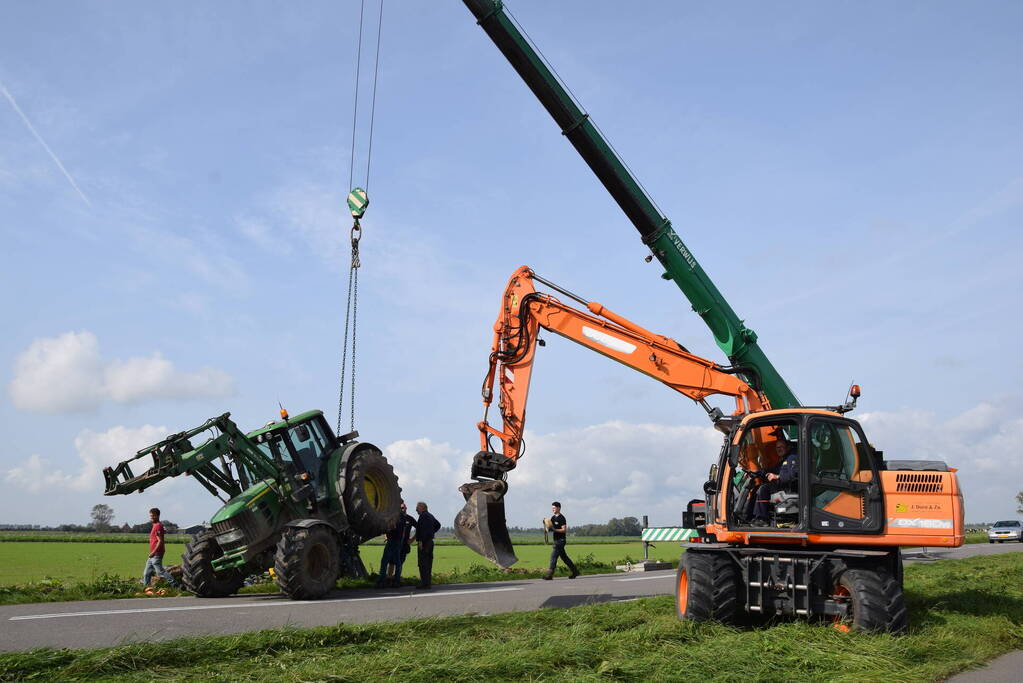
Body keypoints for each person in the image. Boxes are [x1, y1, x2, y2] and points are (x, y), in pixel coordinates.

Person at [751, 440, 799, 526]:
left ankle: (763, 519)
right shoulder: (783, 461)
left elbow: (793, 475)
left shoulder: (792, 458)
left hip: (788, 488)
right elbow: (772, 470)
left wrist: (777, 477)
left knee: (764, 489)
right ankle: (751, 516)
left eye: (781, 447)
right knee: (757, 488)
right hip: (781, 486)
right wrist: (757, 472)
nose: (779, 449)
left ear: (787, 448)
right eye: (777, 448)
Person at [376, 502, 416, 588]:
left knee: (389, 561)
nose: (402, 509)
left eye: (403, 508)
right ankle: (393, 579)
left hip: (397, 542)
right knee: (394, 562)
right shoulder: (401, 517)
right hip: (397, 541)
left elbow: (389, 527)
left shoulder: (397, 517)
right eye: (401, 508)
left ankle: (383, 580)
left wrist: (411, 540)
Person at [142, 508, 179, 589]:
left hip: (156, 554)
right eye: (150, 516)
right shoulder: (154, 525)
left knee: (160, 572)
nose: (151, 517)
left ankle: (175, 585)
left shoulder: (158, 526)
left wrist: (153, 552)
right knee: (146, 573)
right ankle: (146, 589)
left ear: (157, 516)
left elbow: (160, 541)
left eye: (152, 516)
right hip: (152, 554)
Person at [543, 501, 579, 580]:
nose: (553, 509)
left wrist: (554, 529)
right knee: (564, 558)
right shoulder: (553, 518)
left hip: (561, 541)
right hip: (556, 540)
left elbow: (564, 530)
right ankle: (575, 571)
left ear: (559, 508)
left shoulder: (561, 518)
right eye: (552, 508)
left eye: (554, 508)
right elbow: (550, 528)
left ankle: (550, 574)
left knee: (553, 556)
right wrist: (546, 525)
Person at [411, 501, 441, 589]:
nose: (416, 510)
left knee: (422, 563)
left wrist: (420, 541)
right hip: (430, 542)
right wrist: (431, 532)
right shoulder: (430, 516)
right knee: (428, 562)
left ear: (422, 507)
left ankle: (424, 583)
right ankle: (428, 582)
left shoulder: (423, 516)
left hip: (424, 543)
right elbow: (438, 525)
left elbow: (421, 531)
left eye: (417, 507)